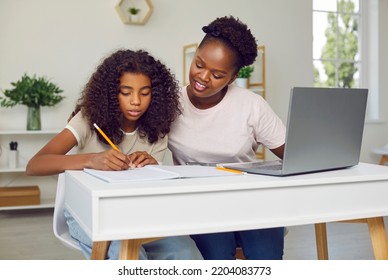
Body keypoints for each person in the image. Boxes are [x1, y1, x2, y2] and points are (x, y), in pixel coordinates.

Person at [26, 49, 203, 260]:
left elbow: (153, 184)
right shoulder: (87, 120)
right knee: (129, 255)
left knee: (186, 252)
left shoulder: (158, 127)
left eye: (144, 93)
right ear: (111, 93)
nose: (136, 101)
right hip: (87, 212)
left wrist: (154, 165)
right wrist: (92, 160)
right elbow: (34, 165)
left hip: (139, 213)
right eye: (126, 93)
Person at [168, 16, 286, 260]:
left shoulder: (252, 106)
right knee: (219, 254)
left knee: (266, 257)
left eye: (218, 74)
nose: (203, 77)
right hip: (198, 201)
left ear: (232, 78)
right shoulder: (169, 105)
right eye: (199, 65)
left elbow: (295, 155)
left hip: (248, 199)